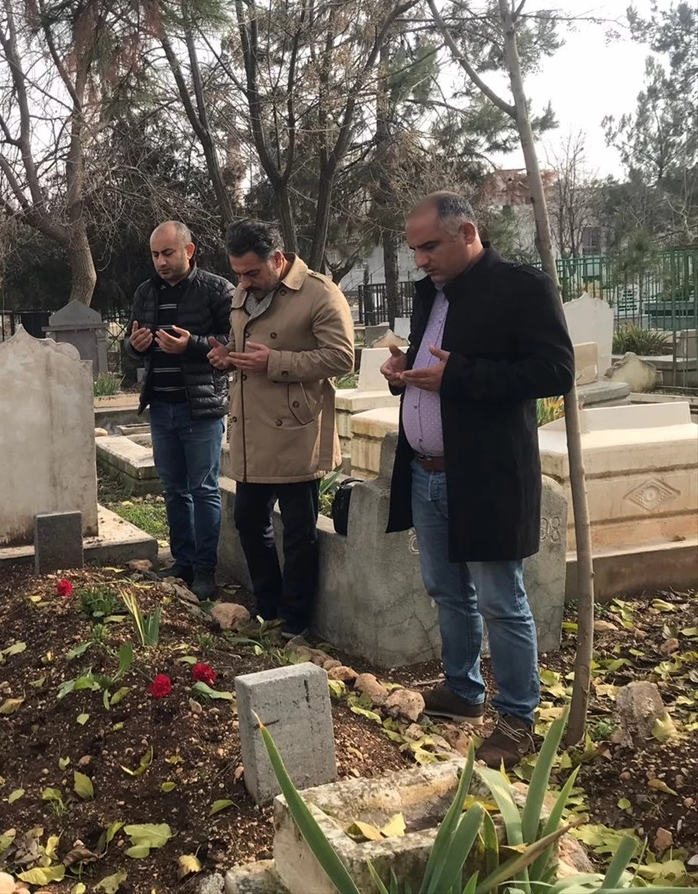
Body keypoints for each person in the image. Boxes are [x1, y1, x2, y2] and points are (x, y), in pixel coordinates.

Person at [382, 192, 574, 768]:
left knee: (500, 600)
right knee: (446, 590)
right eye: (414, 248)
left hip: (486, 474)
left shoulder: (521, 288)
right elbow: (433, 368)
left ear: (467, 232)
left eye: (430, 246)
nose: (420, 259)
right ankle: (463, 692)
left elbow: (555, 370)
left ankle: (517, 716)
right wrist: (403, 375)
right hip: (426, 472)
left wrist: (458, 376)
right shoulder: (431, 293)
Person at [208, 219, 354, 637]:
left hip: (295, 429)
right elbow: (247, 350)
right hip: (251, 430)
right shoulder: (245, 289)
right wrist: (226, 356)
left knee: (299, 533)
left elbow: (343, 358)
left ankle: (295, 619)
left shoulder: (319, 292)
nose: (243, 281)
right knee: (249, 523)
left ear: (277, 258)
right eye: (237, 273)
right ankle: (267, 605)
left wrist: (276, 362)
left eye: (252, 272)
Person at [125, 220, 233, 600]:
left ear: (189, 250)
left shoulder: (217, 289)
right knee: (173, 490)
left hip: (200, 408)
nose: (160, 262)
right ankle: (182, 563)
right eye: (155, 254)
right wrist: (136, 346)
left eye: (167, 253)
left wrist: (193, 345)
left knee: (203, 489)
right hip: (161, 405)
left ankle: (206, 571)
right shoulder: (145, 292)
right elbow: (131, 342)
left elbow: (235, 343)